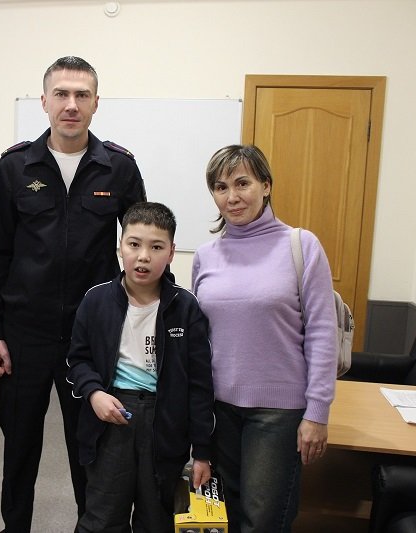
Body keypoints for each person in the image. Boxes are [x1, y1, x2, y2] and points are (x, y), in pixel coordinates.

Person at [0, 55, 146, 532]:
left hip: (89, 338)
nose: (71, 104)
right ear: (44, 101)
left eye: (81, 95)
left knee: (88, 447)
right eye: (61, 94)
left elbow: (143, 246)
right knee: (19, 449)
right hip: (24, 334)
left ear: (96, 103)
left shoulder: (118, 167)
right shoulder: (16, 166)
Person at [191, 144, 338, 533]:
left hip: (277, 412)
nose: (232, 197)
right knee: (225, 516)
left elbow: (322, 333)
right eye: (221, 187)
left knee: (263, 521)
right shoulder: (206, 256)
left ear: (266, 185)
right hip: (220, 409)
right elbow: (200, 339)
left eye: (243, 183)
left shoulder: (301, 245)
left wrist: (317, 412)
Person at [67, 202, 215, 532]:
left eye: (156, 247)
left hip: (164, 422)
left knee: (157, 517)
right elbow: (78, 359)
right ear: (120, 246)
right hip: (112, 416)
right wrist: (94, 394)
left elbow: (200, 385)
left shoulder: (184, 307)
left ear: (171, 252)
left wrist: (203, 452)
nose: (143, 256)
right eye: (134, 244)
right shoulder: (96, 301)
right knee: (103, 517)